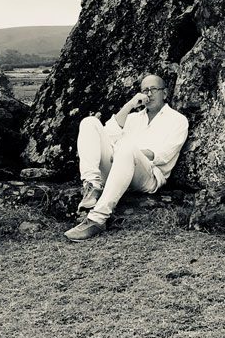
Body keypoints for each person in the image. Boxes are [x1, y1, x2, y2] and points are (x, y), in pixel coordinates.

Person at [63, 74, 189, 241]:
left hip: (149, 176)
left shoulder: (178, 120)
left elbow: (164, 155)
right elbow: (107, 134)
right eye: (145, 90)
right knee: (89, 122)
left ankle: (97, 219)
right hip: (119, 169)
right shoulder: (133, 118)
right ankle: (92, 186)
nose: (149, 94)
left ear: (164, 93)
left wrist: (126, 153)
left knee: (126, 147)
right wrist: (130, 105)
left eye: (154, 89)